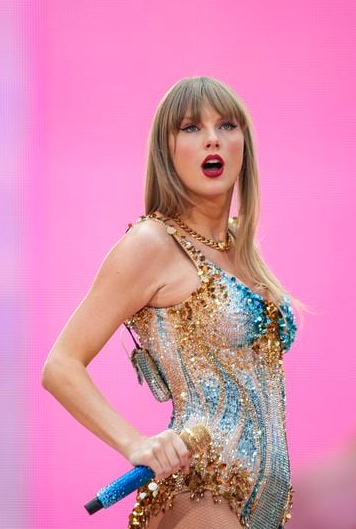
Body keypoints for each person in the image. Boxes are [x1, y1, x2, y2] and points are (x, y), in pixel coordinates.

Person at [41, 76, 309, 528]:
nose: (212, 139)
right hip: (200, 490)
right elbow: (60, 365)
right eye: (190, 127)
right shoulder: (152, 243)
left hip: (267, 505)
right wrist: (134, 442)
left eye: (227, 125)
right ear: (167, 152)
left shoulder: (242, 247)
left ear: (244, 143)